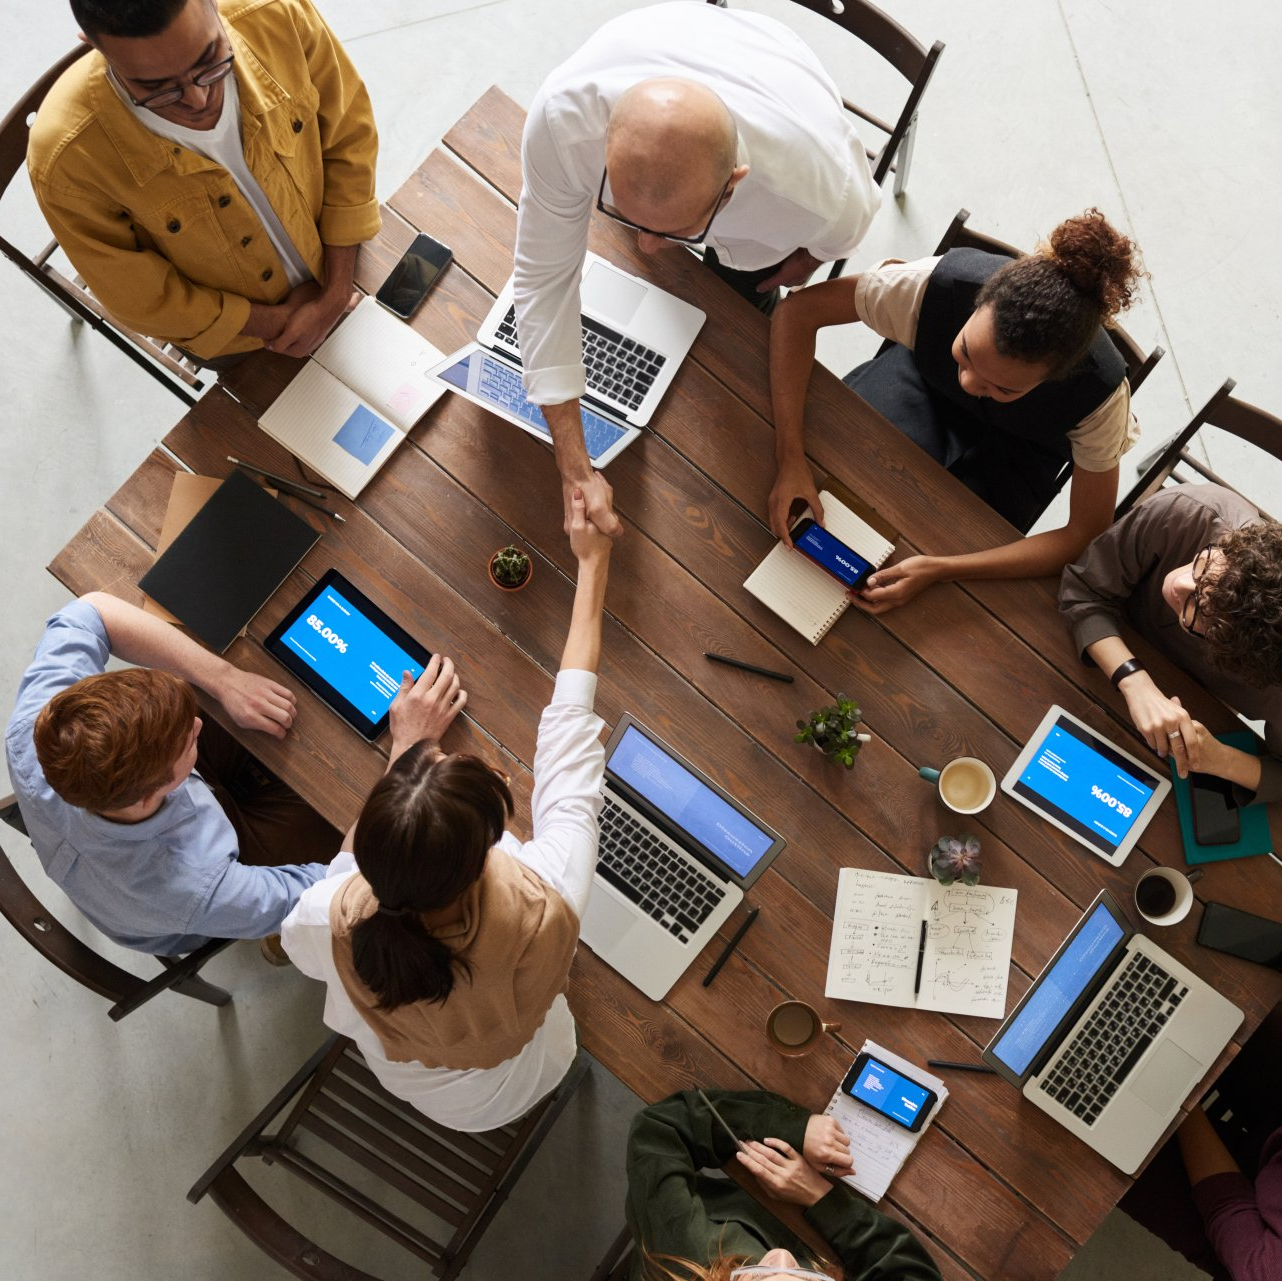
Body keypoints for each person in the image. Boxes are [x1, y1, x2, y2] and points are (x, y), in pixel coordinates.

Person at [281, 490, 612, 1131]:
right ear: (486, 854)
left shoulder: (330, 914)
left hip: (429, 1092)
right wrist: (595, 563)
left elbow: (321, 913)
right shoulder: (547, 897)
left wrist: (404, 749)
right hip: (526, 1071)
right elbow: (571, 737)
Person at [515, 1, 879, 540]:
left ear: (734, 183)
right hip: (676, 42)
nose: (647, 248)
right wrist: (574, 462)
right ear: (606, 145)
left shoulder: (821, 197)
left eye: (674, 232)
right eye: (624, 214)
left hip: (778, 84)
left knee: (743, 319)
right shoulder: (561, 121)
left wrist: (800, 264)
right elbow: (543, 279)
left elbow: (834, 241)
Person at [769, 209, 1145, 612]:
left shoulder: (1100, 397)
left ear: (1056, 378)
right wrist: (789, 456)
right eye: (966, 353)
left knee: (943, 566)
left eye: (1002, 386)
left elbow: (1085, 532)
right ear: (977, 303)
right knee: (838, 477)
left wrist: (941, 569)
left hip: (1020, 453)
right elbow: (797, 313)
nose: (969, 383)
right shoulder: (933, 286)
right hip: (920, 386)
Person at [29, 0, 380, 365]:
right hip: (242, 341)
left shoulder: (275, 13)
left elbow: (349, 136)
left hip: (345, 258)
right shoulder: (65, 159)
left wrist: (336, 293)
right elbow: (141, 298)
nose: (198, 99)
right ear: (93, 44)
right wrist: (279, 324)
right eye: (157, 88)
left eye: (210, 60)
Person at [4, 593, 339, 955]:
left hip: (126, 860)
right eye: (189, 740)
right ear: (152, 795)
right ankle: (278, 943)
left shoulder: (44, 726)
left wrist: (224, 680)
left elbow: (93, 609)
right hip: (194, 903)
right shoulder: (193, 888)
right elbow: (328, 895)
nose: (197, 725)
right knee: (352, 825)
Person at [1059, 483, 1282, 799]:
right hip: (1089, 653)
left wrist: (1221, 759)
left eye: (1198, 610)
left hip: (1185, 733)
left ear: (1232, 653)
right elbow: (1083, 589)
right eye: (1205, 566)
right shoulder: (1189, 512)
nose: (1179, 583)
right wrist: (1136, 683)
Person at [625, 1088, 942, 1281]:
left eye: (754, 1276)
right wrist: (820, 1197)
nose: (781, 1257)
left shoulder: (682, 1253)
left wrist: (792, 1127)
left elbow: (659, 1131)